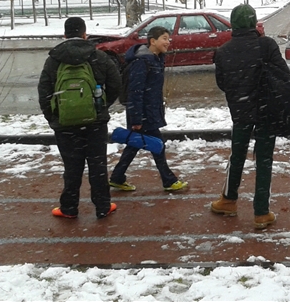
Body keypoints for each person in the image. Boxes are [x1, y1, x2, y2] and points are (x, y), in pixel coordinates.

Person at [210, 3, 287, 229]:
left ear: (233, 24)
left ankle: (229, 200)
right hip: (267, 111)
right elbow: (282, 75)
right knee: (263, 160)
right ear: (254, 23)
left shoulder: (223, 51)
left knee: (237, 156)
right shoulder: (267, 45)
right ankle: (261, 212)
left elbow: (222, 84)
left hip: (241, 113)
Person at [38, 17, 122, 219]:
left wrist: (54, 117)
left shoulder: (54, 60)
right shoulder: (98, 56)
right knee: (98, 165)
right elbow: (116, 83)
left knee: (72, 167)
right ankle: (103, 206)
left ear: (65, 35)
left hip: (65, 125)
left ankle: (68, 208)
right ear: (85, 34)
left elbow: (44, 91)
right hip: (95, 123)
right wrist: (101, 107)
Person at [109, 26, 188, 192]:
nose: (168, 42)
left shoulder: (155, 59)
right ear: (153, 41)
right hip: (143, 113)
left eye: (168, 39)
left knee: (135, 145)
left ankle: (117, 177)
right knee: (157, 145)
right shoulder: (142, 62)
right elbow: (135, 91)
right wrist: (137, 118)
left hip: (149, 111)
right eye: (164, 38)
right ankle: (169, 180)